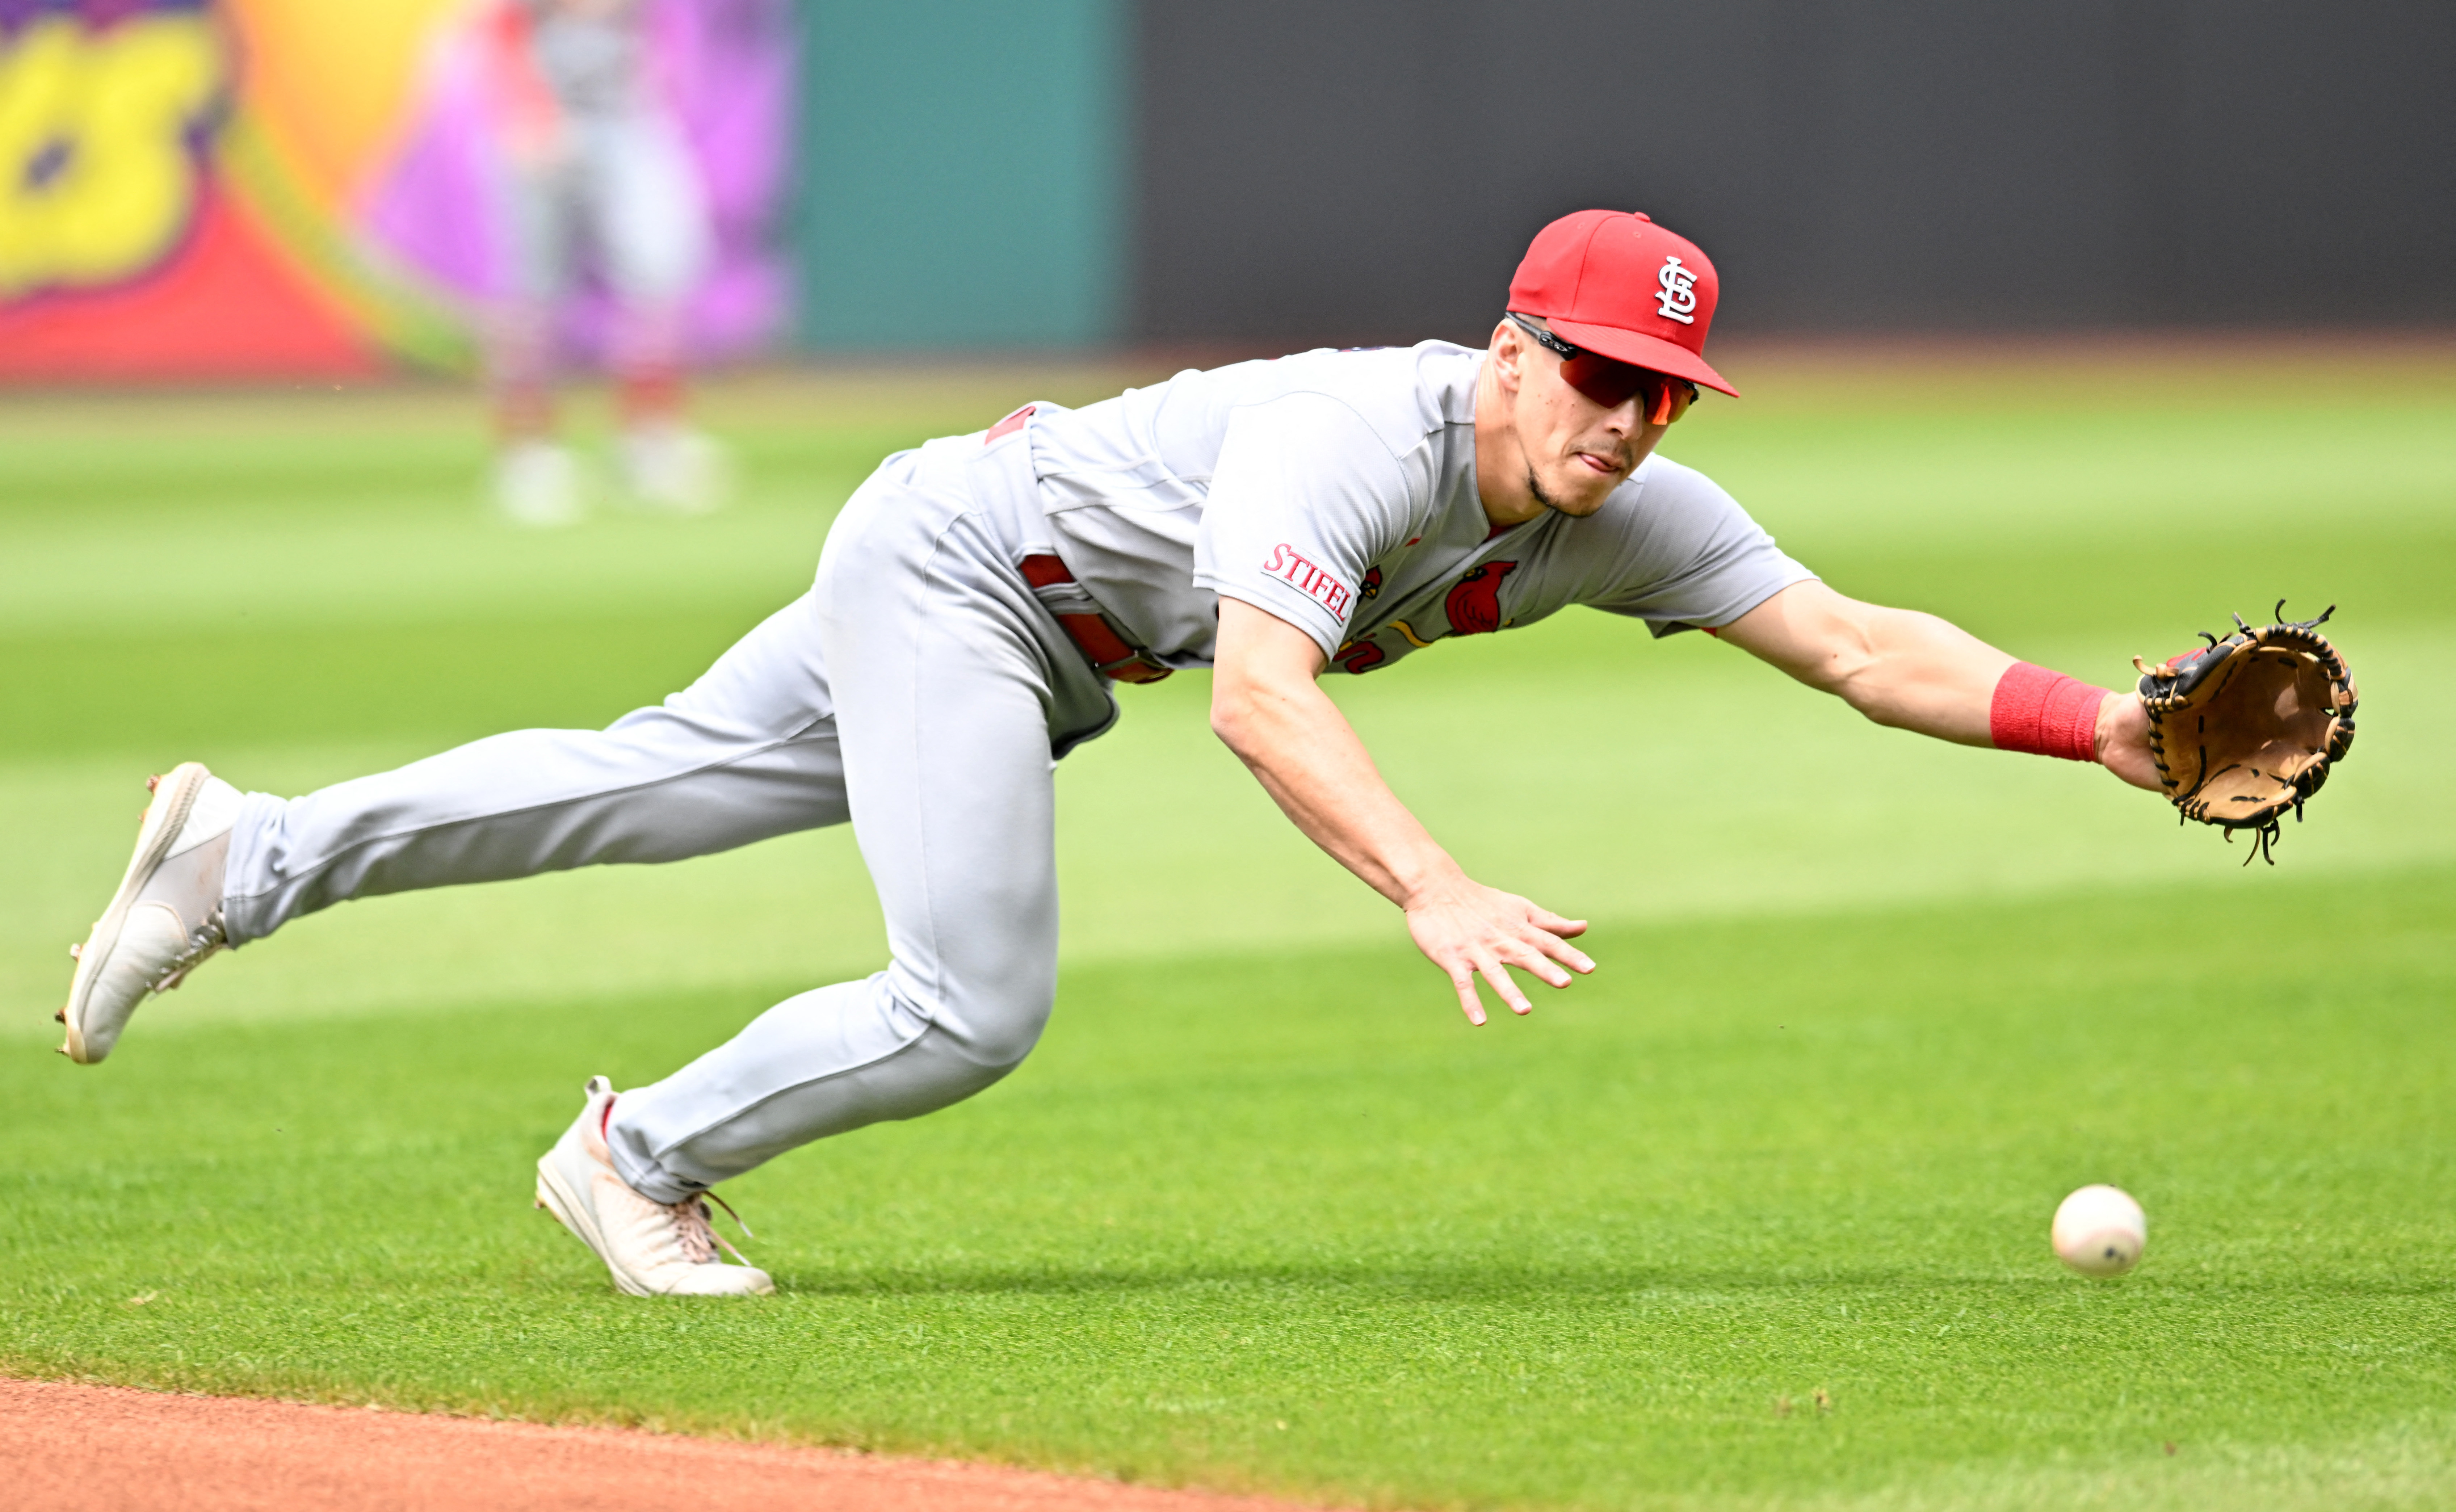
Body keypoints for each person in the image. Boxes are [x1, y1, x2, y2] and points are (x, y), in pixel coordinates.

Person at [55, 210, 2163, 1297]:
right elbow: (1258, 690)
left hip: (1009, 601)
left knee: (652, 778)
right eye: (1593, 374)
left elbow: (1857, 643)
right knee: (972, 998)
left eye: (1658, 391)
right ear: (1509, 347)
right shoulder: (1368, 432)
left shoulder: (1624, 517)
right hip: (969, 577)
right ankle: (635, 1155)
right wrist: (1422, 879)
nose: (1620, 421)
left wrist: (2112, 732)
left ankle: (245, 858)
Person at [475, 0, 730, 525]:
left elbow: (657, 33)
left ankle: (651, 445)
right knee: (527, 299)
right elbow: (498, 29)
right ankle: (528, 457)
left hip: (628, 121)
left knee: (658, 284)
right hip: (540, 130)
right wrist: (529, 109)